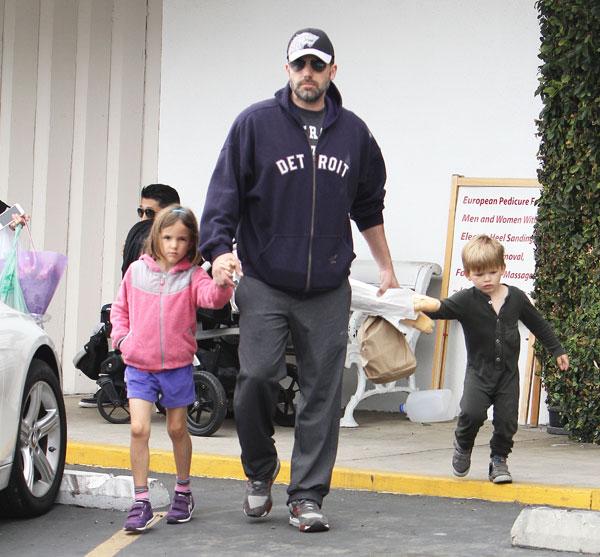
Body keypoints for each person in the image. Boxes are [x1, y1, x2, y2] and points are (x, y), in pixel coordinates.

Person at [199, 28, 398, 532]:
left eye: (317, 65)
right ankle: (261, 471)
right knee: (257, 379)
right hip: (265, 280)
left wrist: (387, 266)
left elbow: (368, 205)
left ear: (333, 71)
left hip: (329, 288)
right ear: (286, 70)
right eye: (299, 65)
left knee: (322, 395)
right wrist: (218, 252)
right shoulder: (254, 125)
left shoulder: (354, 134)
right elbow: (224, 195)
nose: (307, 74)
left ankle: (307, 495)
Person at [110, 205, 233, 532]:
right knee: (139, 429)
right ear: (156, 237)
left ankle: (183, 491)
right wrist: (122, 341)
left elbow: (213, 299)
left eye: (182, 239)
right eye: (167, 237)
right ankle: (140, 502)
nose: (174, 245)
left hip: (177, 366)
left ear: (191, 242)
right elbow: (119, 311)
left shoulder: (193, 276)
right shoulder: (135, 272)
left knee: (178, 429)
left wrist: (223, 280)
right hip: (139, 365)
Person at [414, 235, 569, 484]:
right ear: (467, 274)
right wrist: (414, 305)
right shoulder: (465, 300)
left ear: (503, 269)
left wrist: (557, 349)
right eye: (479, 274)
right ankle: (463, 446)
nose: (487, 279)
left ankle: (499, 461)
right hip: (479, 373)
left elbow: (538, 324)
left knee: (507, 422)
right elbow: (441, 309)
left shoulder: (516, 297)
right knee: (471, 413)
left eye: (492, 272)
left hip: (508, 376)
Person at [78, 183, 180, 408]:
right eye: (140, 212)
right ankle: (111, 381)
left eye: (150, 213)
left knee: (117, 318)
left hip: (164, 313)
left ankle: (115, 384)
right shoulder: (141, 236)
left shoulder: (178, 239)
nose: (143, 217)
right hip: (141, 310)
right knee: (111, 315)